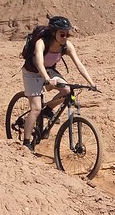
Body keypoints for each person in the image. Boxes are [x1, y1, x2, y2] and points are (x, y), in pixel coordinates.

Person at [21, 16, 96, 151]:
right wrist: (47, 79)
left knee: (67, 91)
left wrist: (91, 83)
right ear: (53, 32)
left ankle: (48, 110)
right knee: (36, 108)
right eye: (62, 34)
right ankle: (26, 143)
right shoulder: (42, 43)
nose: (65, 37)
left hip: (49, 70)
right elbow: (38, 62)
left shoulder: (67, 46)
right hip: (32, 72)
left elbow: (79, 64)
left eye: (68, 34)